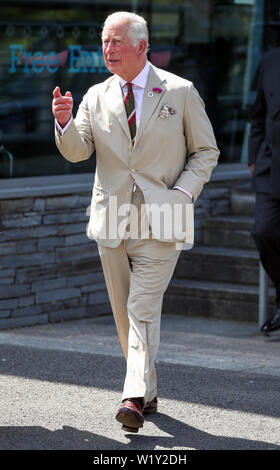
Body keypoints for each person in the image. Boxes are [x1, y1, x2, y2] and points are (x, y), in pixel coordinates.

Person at [52, 11, 219, 433]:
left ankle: (131, 397)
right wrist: (64, 122)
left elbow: (206, 152)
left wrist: (182, 193)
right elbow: (77, 152)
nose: (108, 50)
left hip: (163, 219)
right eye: (105, 42)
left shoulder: (180, 91)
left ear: (142, 46)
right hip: (112, 222)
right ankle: (148, 388)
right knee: (125, 317)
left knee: (142, 310)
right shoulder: (95, 94)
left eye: (117, 42)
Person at [249, 46, 280, 334]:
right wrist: (253, 158)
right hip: (271, 165)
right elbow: (258, 114)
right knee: (264, 230)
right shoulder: (270, 60)